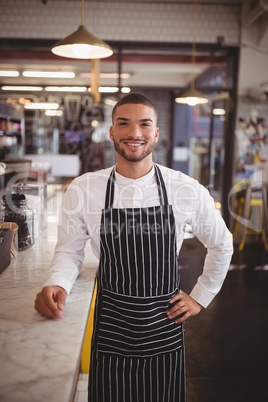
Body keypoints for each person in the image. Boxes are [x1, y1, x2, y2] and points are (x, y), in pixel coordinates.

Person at [35, 93, 233, 402]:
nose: (134, 133)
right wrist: (56, 282)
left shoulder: (185, 188)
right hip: (112, 328)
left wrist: (200, 298)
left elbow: (222, 244)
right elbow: (69, 251)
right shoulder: (84, 188)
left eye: (144, 124)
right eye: (124, 123)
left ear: (156, 133)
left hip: (164, 330)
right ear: (112, 132)